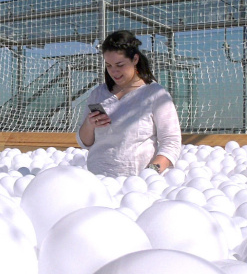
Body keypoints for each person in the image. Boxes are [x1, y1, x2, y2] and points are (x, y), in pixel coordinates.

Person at [78, 30, 182, 177]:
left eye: (120, 65)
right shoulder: (98, 94)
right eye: (109, 65)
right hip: (98, 181)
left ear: (135, 59)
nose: (114, 71)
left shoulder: (155, 95)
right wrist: (89, 124)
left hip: (136, 183)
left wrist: (150, 174)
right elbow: (85, 142)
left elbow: (171, 142)